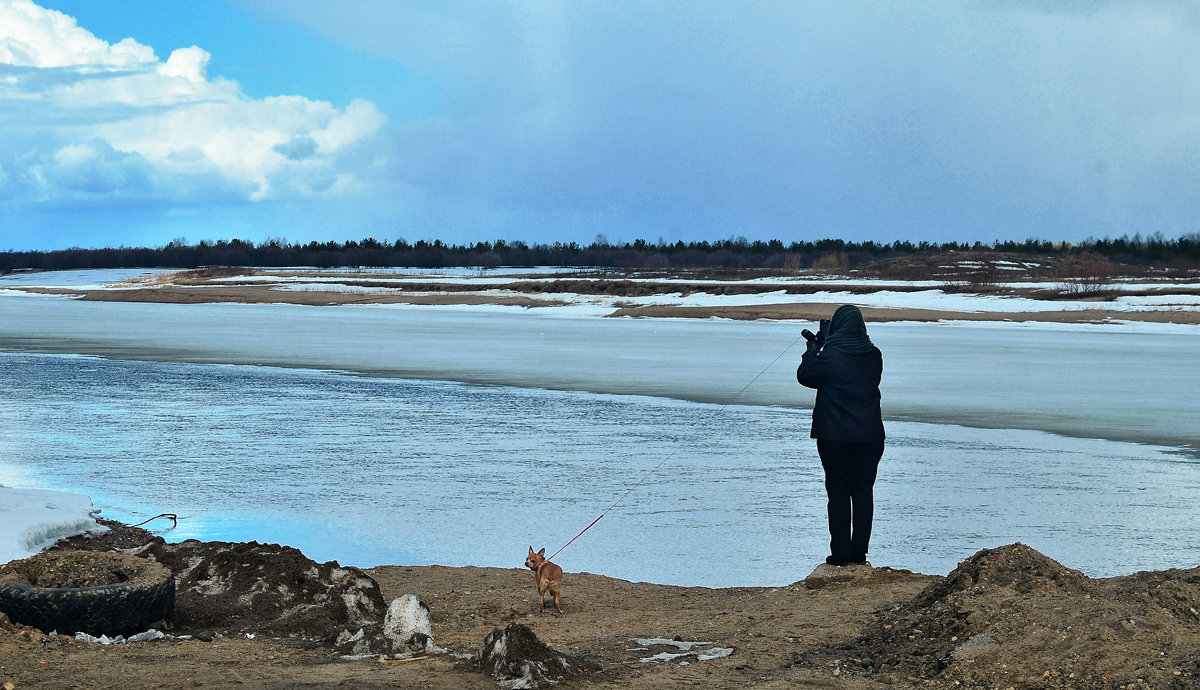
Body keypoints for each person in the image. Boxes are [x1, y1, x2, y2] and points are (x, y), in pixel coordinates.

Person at [796, 304, 885, 567]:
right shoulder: (874, 356)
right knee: (863, 492)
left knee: (837, 493)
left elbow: (806, 376)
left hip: (834, 437)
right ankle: (859, 554)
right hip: (870, 437)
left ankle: (840, 554)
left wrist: (813, 349)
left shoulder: (830, 356)